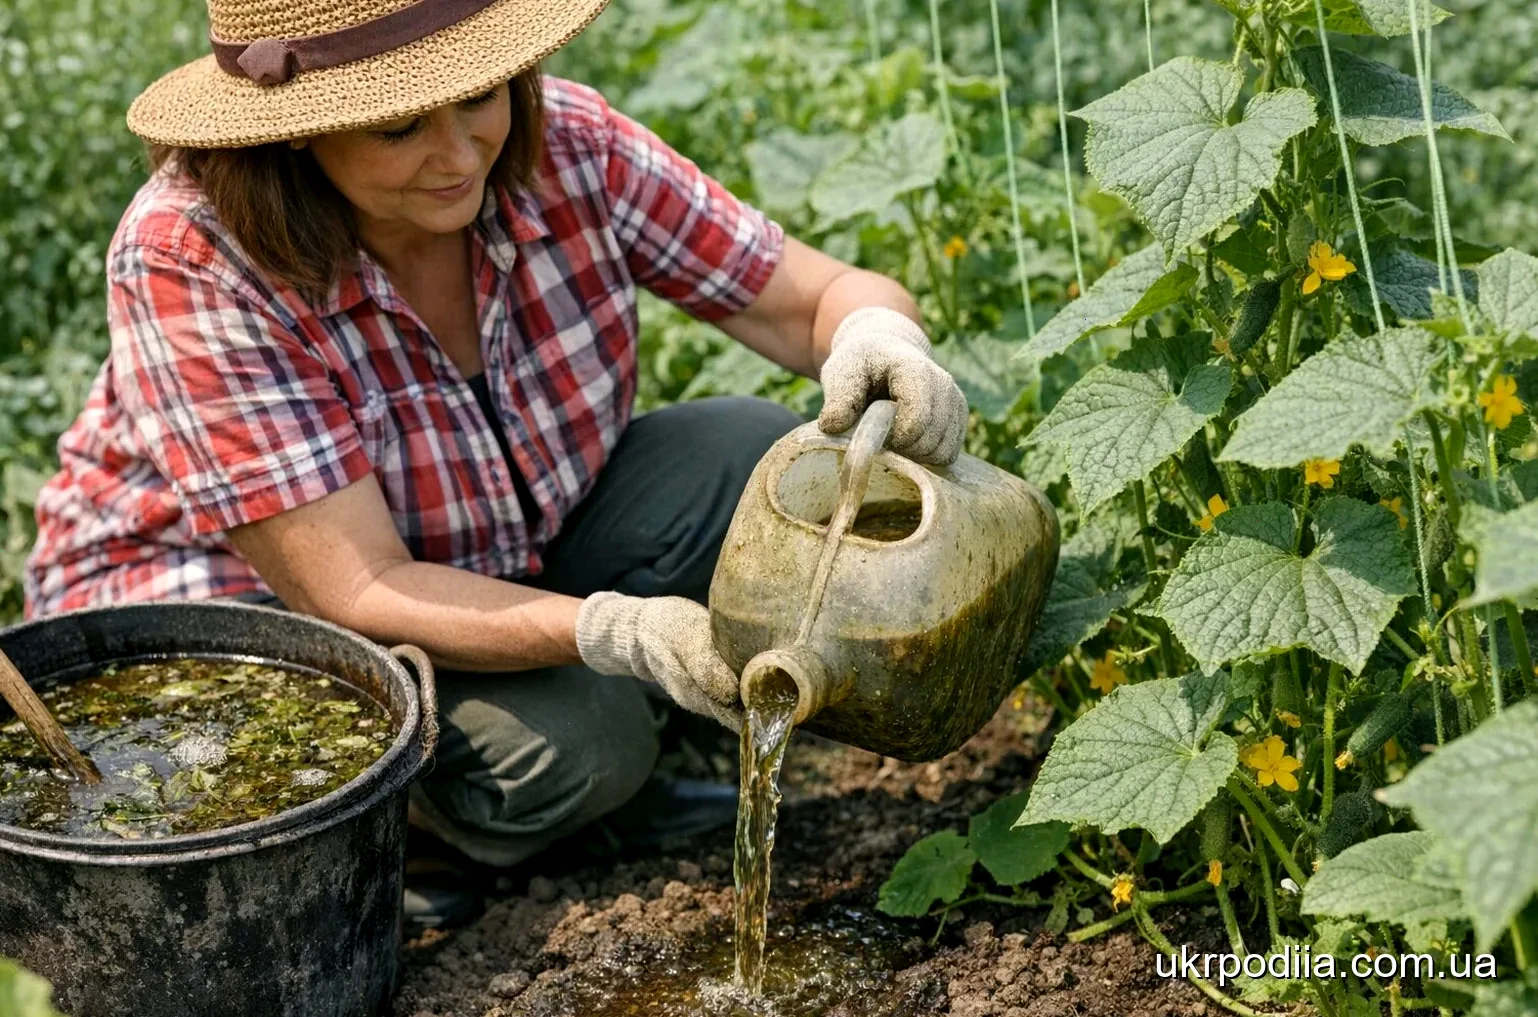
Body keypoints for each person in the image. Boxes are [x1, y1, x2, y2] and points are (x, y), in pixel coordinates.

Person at [23, 0, 970, 926]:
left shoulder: (569, 149)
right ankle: (388, 839)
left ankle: (585, 743)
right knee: (579, 749)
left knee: (739, 457)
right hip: (258, 626)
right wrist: (620, 632)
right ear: (295, 131)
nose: (461, 152)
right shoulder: (193, 252)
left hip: (489, 549)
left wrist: (881, 339)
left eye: (479, 94)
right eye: (398, 127)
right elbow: (355, 586)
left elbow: (810, 301)